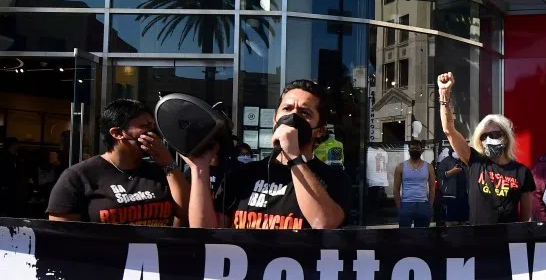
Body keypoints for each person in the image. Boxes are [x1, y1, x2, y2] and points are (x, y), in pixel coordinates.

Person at [184, 79, 351, 230]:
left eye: (305, 113)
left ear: (319, 131)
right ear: (274, 120)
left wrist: (294, 157)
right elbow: (205, 231)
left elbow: (324, 223)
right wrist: (199, 168)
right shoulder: (243, 174)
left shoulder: (333, 178)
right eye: (287, 108)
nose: (292, 117)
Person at [46, 99, 188, 226]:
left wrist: (169, 164)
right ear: (117, 133)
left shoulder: (159, 171)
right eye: (145, 126)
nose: (152, 133)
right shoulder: (78, 176)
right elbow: (62, 235)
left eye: (153, 126)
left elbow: (186, 213)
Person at [438, 72, 535, 224]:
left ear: (506, 136)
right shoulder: (475, 161)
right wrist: (444, 94)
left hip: (508, 242)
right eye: (484, 136)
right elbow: (448, 130)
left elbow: (526, 217)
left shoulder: (521, 172)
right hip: (478, 242)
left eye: (495, 134)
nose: (489, 139)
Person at [393, 140, 435, 228]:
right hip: (406, 204)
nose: (415, 150)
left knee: (422, 235)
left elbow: (432, 188)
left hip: (423, 204)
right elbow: (396, 189)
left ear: (421, 150)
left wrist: (430, 205)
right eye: (412, 148)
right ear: (409, 150)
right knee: (405, 235)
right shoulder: (400, 167)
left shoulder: (429, 167)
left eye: (417, 148)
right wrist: (399, 207)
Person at [438, 149, 470, 225]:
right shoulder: (446, 161)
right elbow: (440, 175)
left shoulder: (464, 161)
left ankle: (463, 235)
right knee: (450, 220)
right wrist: (451, 172)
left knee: (464, 220)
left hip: (465, 196)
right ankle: (451, 235)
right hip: (451, 195)